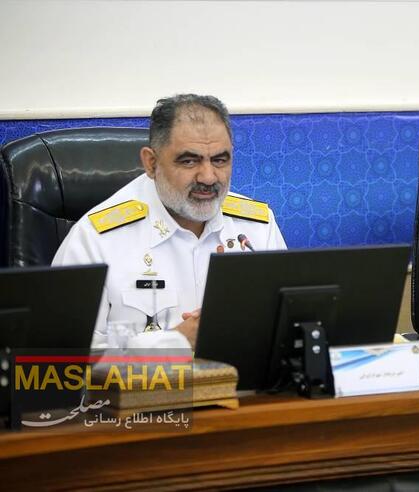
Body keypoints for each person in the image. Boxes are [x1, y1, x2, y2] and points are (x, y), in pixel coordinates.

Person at [53, 94, 287, 348]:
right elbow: (63, 360)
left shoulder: (257, 229)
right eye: (189, 161)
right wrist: (175, 343)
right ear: (151, 163)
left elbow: (287, 332)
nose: (208, 177)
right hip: (147, 376)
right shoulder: (94, 240)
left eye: (219, 160)